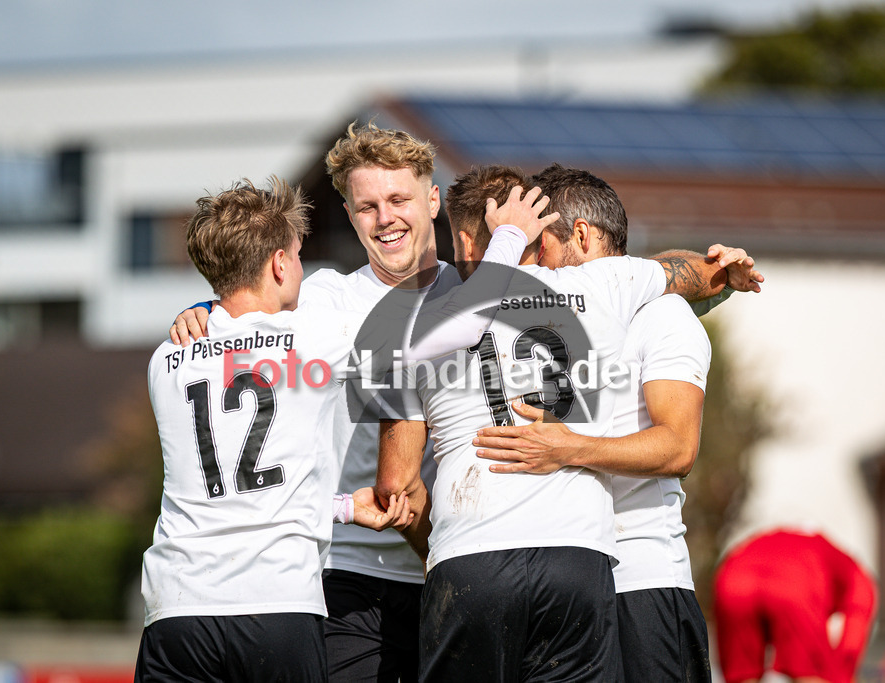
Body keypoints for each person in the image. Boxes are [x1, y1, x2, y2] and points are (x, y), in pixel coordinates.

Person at [138, 175, 553, 681]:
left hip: (175, 611)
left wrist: (340, 507)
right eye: (296, 253)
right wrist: (508, 237)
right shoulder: (312, 337)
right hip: (277, 603)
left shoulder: (167, 358)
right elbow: (462, 327)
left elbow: (236, 488)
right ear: (278, 264)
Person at [375, 165, 763, 681]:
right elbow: (685, 269)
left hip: (622, 572)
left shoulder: (424, 315)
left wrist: (567, 448)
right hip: (583, 564)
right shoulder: (609, 286)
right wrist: (721, 273)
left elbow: (677, 448)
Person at [472, 163, 718, 681]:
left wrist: (568, 448)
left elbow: (678, 449)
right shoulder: (561, 317)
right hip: (578, 578)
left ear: (580, 236)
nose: (538, 265)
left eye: (544, 247)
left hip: (643, 584)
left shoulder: (664, 315)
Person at [713, 528, 876, 683]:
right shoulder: (856, 573)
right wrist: (843, 674)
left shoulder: (780, 540)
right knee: (809, 673)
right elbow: (855, 630)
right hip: (794, 583)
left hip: (733, 579)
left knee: (742, 676)